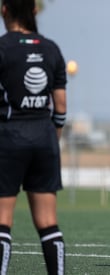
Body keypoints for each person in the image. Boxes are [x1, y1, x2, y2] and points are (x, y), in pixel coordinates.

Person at [0, 0, 66, 274]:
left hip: (8, 138)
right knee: (48, 222)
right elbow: (60, 107)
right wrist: (53, 138)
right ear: (35, 11)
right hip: (44, 139)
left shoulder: (3, 48)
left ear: (4, 9)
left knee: (3, 221)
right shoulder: (51, 48)